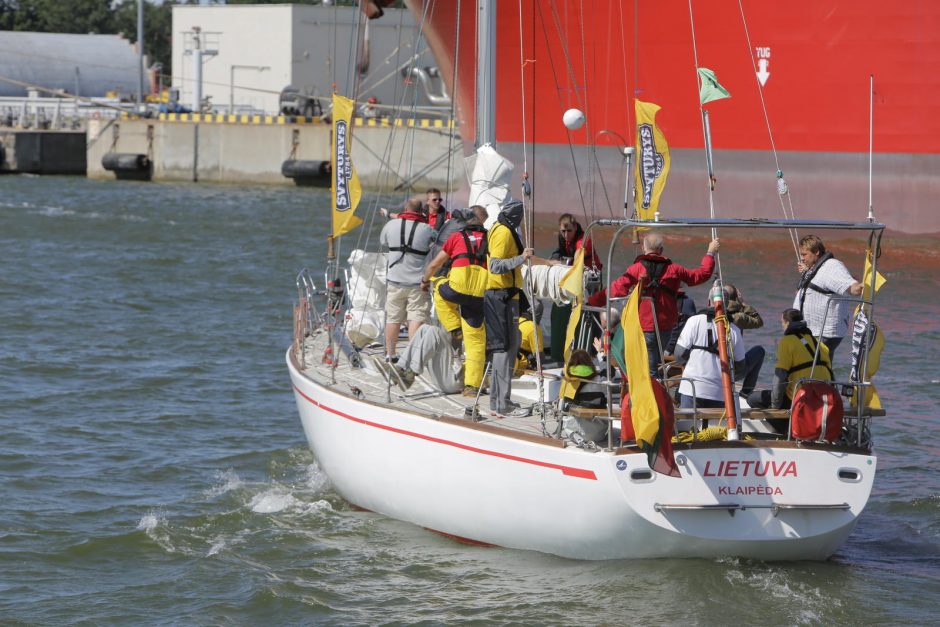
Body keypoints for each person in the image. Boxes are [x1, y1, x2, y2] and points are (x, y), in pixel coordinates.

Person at [588, 233, 719, 378]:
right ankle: (653, 389)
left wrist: (591, 302)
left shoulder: (636, 269)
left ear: (644, 248)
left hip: (643, 326)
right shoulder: (674, 269)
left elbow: (615, 289)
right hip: (666, 327)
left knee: (648, 370)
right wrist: (710, 253)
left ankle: (649, 395)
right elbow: (701, 275)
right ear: (661, 250)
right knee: (653, 363)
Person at [484, 200, 558, 418]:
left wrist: (543, 261)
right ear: (516, 217)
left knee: (508, 346)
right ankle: (502, 404)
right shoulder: (504, 233)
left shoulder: (501, 228)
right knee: (504, 349)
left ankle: (498, 402)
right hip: (501, 297)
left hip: (507, 295)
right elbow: (495, 266)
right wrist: (521, 258)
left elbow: (521, 258)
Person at [422, 207, 489, 396]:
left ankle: (454, 328)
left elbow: (435, 265)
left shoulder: (456, 237)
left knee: (438, 286)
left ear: (465, 224)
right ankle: (472, 387)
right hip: (480, 292)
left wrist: (425, 281)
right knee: (476, 341)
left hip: (458, 287)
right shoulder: (490, 238)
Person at [747, 309, 833, 431]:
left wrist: (775, 406)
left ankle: (789, 431)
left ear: (787, 323)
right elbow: (831, 375)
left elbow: (780, 376)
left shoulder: (787, 342)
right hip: (822, 397)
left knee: (753, 399)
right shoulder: (820, 344)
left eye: (782, 323)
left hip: (801, 397)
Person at [379, 197, 434, 362]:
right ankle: (412, 357)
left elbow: (383, 242)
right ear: (421, 211)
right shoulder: (427, 229)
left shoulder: (390, 225)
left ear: (405, 208)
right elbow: (438, 243)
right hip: (418, 283)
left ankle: (390, 354)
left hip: (395, 281)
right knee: (416, 318)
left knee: (393, 319)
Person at [793, 234, 863, 362]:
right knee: (821, 368)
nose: (801, 258)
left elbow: (849, 285)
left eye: (804, 255)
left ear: (817, 252)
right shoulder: (817, 267)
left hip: (824, 332)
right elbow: (820, 280)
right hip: (814, 330)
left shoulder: (832, 266)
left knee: (814, 367)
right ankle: (827, 382)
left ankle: (823, 382)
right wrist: (807, 270)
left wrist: (858, 288)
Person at [673, 309, 746, 409]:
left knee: (688, 423)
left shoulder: (694, 321)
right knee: (715, 425)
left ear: (708, 301)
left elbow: (679, 355)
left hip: (692, 388)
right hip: (719, 392)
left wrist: (688, 363)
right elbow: (741, 368)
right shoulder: (734, 330)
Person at [376, 324, 463, 394]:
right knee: (424, 328)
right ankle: (400, 369)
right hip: (450, 375)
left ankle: (410, 374)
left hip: (456, 381)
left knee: (434, 331)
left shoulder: (473, 326)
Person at [723, 284, 765, 397]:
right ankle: (746, 392)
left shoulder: (711, 314)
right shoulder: (738, 317)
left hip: (713, 368)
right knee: (759, 351)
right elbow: (759, 321)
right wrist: (743, 304)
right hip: (732, 371)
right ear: (736, 297)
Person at [561, 349, 610, 443]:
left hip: (576, 432)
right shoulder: (600, 380)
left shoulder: (568, 379)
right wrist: (600, 354)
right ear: (589, 362)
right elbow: (610, 371)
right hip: (599, 434)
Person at [380, 189, 451, 233]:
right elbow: (406, 216)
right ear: (427, 201)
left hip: (435, 248)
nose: (438, 202)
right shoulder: (420, 213)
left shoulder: (446, 215)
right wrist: (387, 213)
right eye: (434, 200)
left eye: (440, 200)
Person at [514, 300, 545, 376]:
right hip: (520, 367)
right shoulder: (533, 327)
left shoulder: (517, 320)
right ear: (537, 314)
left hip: (510, 362)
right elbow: (539, 356)